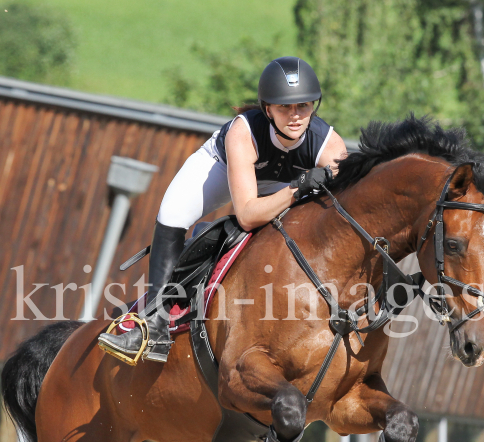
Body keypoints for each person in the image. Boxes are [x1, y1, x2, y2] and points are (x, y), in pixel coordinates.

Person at [99, 56, 348, 364]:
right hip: (221, 169)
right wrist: (298, 188)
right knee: (172, 214)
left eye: (304, 106)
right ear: (267, 109)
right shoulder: (243, 133)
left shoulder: (329, 144)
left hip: (282, 185)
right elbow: (247, 215)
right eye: (284, 107)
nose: (295, 116)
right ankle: (155, 325)